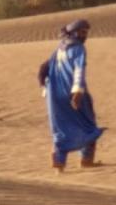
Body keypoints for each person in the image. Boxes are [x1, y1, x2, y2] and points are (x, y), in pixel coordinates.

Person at [39, 19, 105, 170]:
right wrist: (77, 91)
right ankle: (86, 160)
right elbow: (79, 69)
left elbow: (43, 68)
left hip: (55, 96)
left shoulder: (59, 49)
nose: (84, 36)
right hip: (72, 93)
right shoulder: (79, 48)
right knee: (89, 125)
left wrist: (44, 88)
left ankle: (59, 162)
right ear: (74, 33)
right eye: (82, 32)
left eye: (86, 33)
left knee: (60, 128)